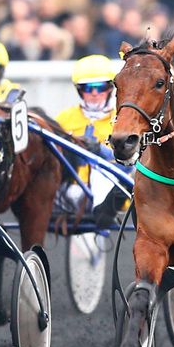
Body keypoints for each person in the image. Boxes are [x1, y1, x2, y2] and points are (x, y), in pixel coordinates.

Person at [55, 54, 126, 227]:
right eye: (88, 88)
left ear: (110, 88)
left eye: (100, 87)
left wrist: (101, 152)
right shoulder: (64, 119)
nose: (94, 93)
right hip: (68, 190)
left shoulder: (122, 119)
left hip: (108, 192)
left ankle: (102, 215)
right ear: (79, 90)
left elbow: (130, 163)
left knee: (98, 170)